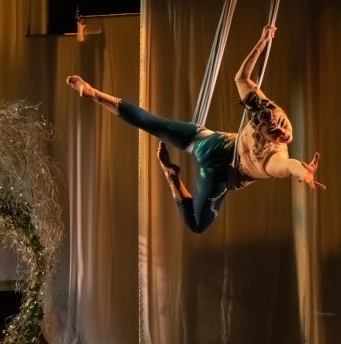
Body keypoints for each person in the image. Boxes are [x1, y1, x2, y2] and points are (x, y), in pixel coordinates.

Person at [66, 26, 324, 233]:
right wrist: (304, 170)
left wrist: (263, 40)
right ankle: (171, 177)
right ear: (262, 130)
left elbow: (242, 79)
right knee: (197, 225)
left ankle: (92, 93)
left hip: (209, 142)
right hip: (217, 171)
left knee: (152, 123)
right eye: (276, 130)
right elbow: (287, 164)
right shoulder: (269, 145)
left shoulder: (264, 115)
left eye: (282, 126)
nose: (283, 133)